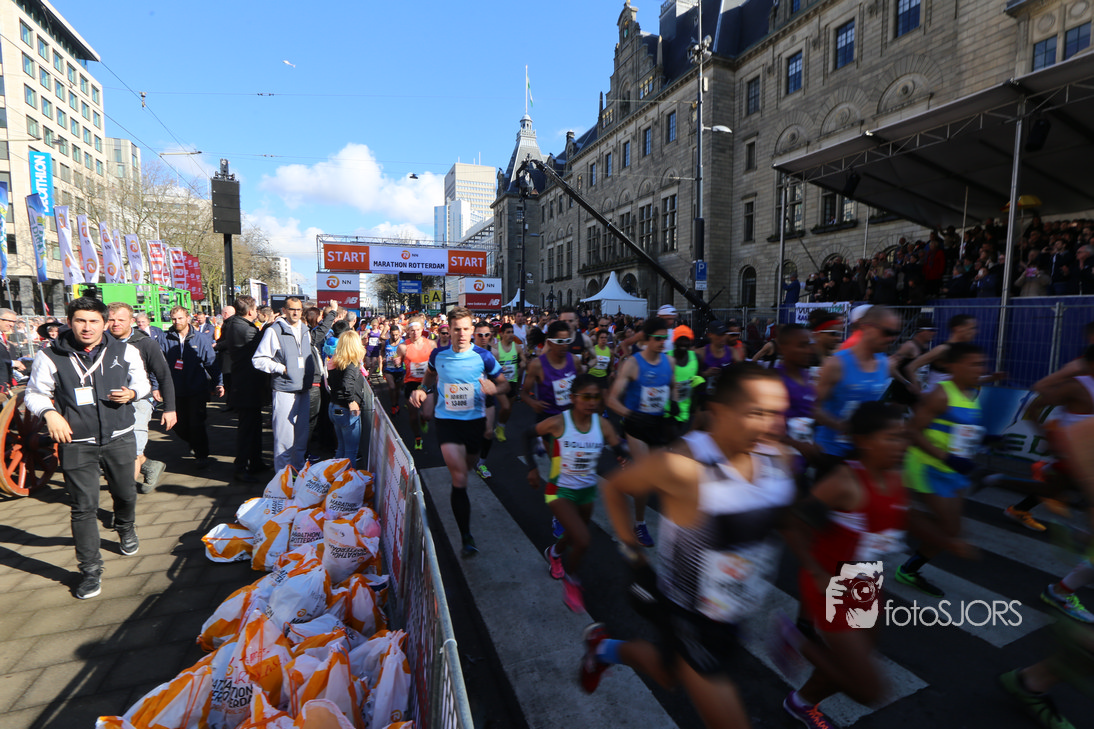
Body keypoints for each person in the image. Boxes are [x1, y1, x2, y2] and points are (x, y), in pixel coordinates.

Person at [580, 364, 793, 729]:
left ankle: (601, 648)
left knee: (667, 676)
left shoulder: (778, 458)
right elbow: (614, 487)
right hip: (688, 616)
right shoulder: (685, 465)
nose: (773, 425)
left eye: (778, 413)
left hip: (733, 613)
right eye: (757, 413)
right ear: (720, 411)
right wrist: (634, 557)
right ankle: (601, 648)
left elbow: (780, 521)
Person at [25, 297, 151, 599]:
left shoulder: (125, 350)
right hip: (76, 442)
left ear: (105, 323)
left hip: (120, 436)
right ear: (69, 322)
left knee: (125, 493)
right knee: (83, 507)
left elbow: (144, 384)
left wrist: (133, 393)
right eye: (80, 320)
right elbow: (34, 393)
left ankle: (125, 526)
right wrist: (50, 413)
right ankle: (90, 570)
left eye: (94, 321)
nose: (87, 327)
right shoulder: (50, 356)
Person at [410, 307, 508, 555]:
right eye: (457, 329)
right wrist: (422, 389)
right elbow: (429, 376)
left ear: (472, 330)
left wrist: (495, 389)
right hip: (447, 423)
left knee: (469, 464)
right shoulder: (438, 355)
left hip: (475, 422)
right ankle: (466, 536)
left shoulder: (484, 357)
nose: (462, 334)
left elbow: (505, 384)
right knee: (460, 477)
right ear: (449, 331)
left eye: (466, 329)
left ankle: (469, 469)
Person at [527, 374, 627, 612]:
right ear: (572, 398)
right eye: (586, 397)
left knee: (572, 536)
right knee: (582, 538)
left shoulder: (602, 425)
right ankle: (572, 581)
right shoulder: (559, 423)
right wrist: (532, 468)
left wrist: (624, 457)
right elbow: (527, 434)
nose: (592, 402)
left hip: (586, 491)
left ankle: (554, 553)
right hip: (559, 490)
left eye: (596, 397)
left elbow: (617, 447)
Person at [898, 342, 986, 597]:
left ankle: (909, 569)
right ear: (954, 367)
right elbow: (912, 431)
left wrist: (990, 439)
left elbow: (960, 429)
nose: (980, 369)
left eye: (981, 364)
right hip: (928, 466)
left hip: (952, 470)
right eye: (973, 364)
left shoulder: (971, 394)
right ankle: (895, 515)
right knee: (948, 529)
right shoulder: (940, 395)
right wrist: (946, 457)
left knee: (951, 529)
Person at [607, 316, 678, 548]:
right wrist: (630, 414)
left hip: (658, 425)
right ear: (646, 339)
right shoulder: (633, 364)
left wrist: (675, 402)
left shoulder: (670, 362)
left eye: (664, 339)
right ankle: (639, 524)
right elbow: (611, 400)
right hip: (636, 426)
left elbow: (674, 388)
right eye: (657, 339)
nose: (662, 343)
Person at [813, 306, 899, 465]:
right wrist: (843, 427)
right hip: (832, 452)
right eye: (887, 332)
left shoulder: (885, 364)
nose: (891, 338)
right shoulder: (837, 364)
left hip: (865, 454)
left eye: (895, 333)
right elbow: (813, 407)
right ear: (867, 328)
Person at [106, 302, 176, 494]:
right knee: (113, 450)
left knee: (132, 451)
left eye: (121, 319)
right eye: (111, 319)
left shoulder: (145, 343)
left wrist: (170, 408)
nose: (116, 323)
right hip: (108, 401)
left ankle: (124, 501)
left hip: (139, 401)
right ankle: (150, 465)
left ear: (131, 321)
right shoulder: (100, 342)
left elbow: (164, 375)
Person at [252, 297, 324, 472]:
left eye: (299, 310)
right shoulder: (274, 331)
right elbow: (258, 359)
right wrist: (282, 368)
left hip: (304, 389)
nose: (296, 313)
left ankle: (297, 474)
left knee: (301, 439)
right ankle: (282, 479)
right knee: (284, 440)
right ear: (284, 310)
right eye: (292, 309)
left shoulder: (305, 330)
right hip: (284, 390)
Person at [161, 307, 223, 467]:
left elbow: (211, 362)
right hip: (174, 390)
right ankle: (195, 442)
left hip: (197, 388)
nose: (177, 322)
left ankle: (201, 454)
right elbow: (157, 365)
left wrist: (219, 383)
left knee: (197, 423)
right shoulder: (164, 338)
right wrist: (156, 386)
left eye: (180, 318)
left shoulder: (200, 338)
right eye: (174, 319)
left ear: (188, 318)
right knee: (177, 425)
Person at [220, 295, 268, 481]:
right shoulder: (244, 328)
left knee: (254, 426)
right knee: (247, 429)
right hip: (247, 386)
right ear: (249, 311)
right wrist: (271, 326)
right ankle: (241, 468)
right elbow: (260, 344)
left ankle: (256, 461)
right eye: (255, 309)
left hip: (247, 384)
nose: (257, 313)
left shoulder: (236, 324)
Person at [327, 330, 367, 464]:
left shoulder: (335, 362)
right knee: (351, 452)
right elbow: (347, 384)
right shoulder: (352, 364)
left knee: (341, 448)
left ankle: (338, 475)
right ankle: (348, 477)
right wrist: (352, 402)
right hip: (345, 410)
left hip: (334, 407)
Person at [399, 316, 436, 451]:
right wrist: (397, 362)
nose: (415, 333)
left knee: (427, 415)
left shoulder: (431, 344)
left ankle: (423, 419)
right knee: (413, 417)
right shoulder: (403, 347)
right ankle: (417, 437)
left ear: (422, 329)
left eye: (418, 330)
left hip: (426, 383)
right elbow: (399, 362)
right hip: (411, 384)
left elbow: (435, 362)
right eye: (412, 330)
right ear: (408, 331)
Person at [473, 320, 499, 478]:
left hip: (487, 397)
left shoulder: (493, 353)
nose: (483, 337)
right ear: (474, 335)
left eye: (486, 334)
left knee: (488, 432)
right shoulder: (466, 351)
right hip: (468, 397)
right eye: (480, 335)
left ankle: (481, 463)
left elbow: (497, 377)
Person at [493, 322, 524, 442]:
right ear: (502, 334)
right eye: (508, 332)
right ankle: (499, 428)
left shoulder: (517, 347)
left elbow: (524, 360)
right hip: (500, 383)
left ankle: (500, 426)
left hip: (512, 382)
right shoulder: (496, 348)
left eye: (512, 332)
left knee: (508, 409)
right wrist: (498, 368)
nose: (511, 335)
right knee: (505, 407)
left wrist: (523, 362)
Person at [0, 308, 27, 390]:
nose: (12, 324)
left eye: (14, 322)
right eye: (8, 321)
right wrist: (12, 363)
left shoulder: (3, 337)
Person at [382, 324, 405, 415]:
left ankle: (396, 403)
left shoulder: (403, 343)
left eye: (396, 335)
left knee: (397, 389)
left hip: (400, 369)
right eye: (392, 335)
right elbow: (382, 352)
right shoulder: (386, 342)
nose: (395, 337)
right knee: (392, 387)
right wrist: (383, 358)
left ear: (399, 333)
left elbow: (407, 355)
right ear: (390, 334)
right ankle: (393, 405)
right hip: (389, 369)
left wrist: (400, 359)